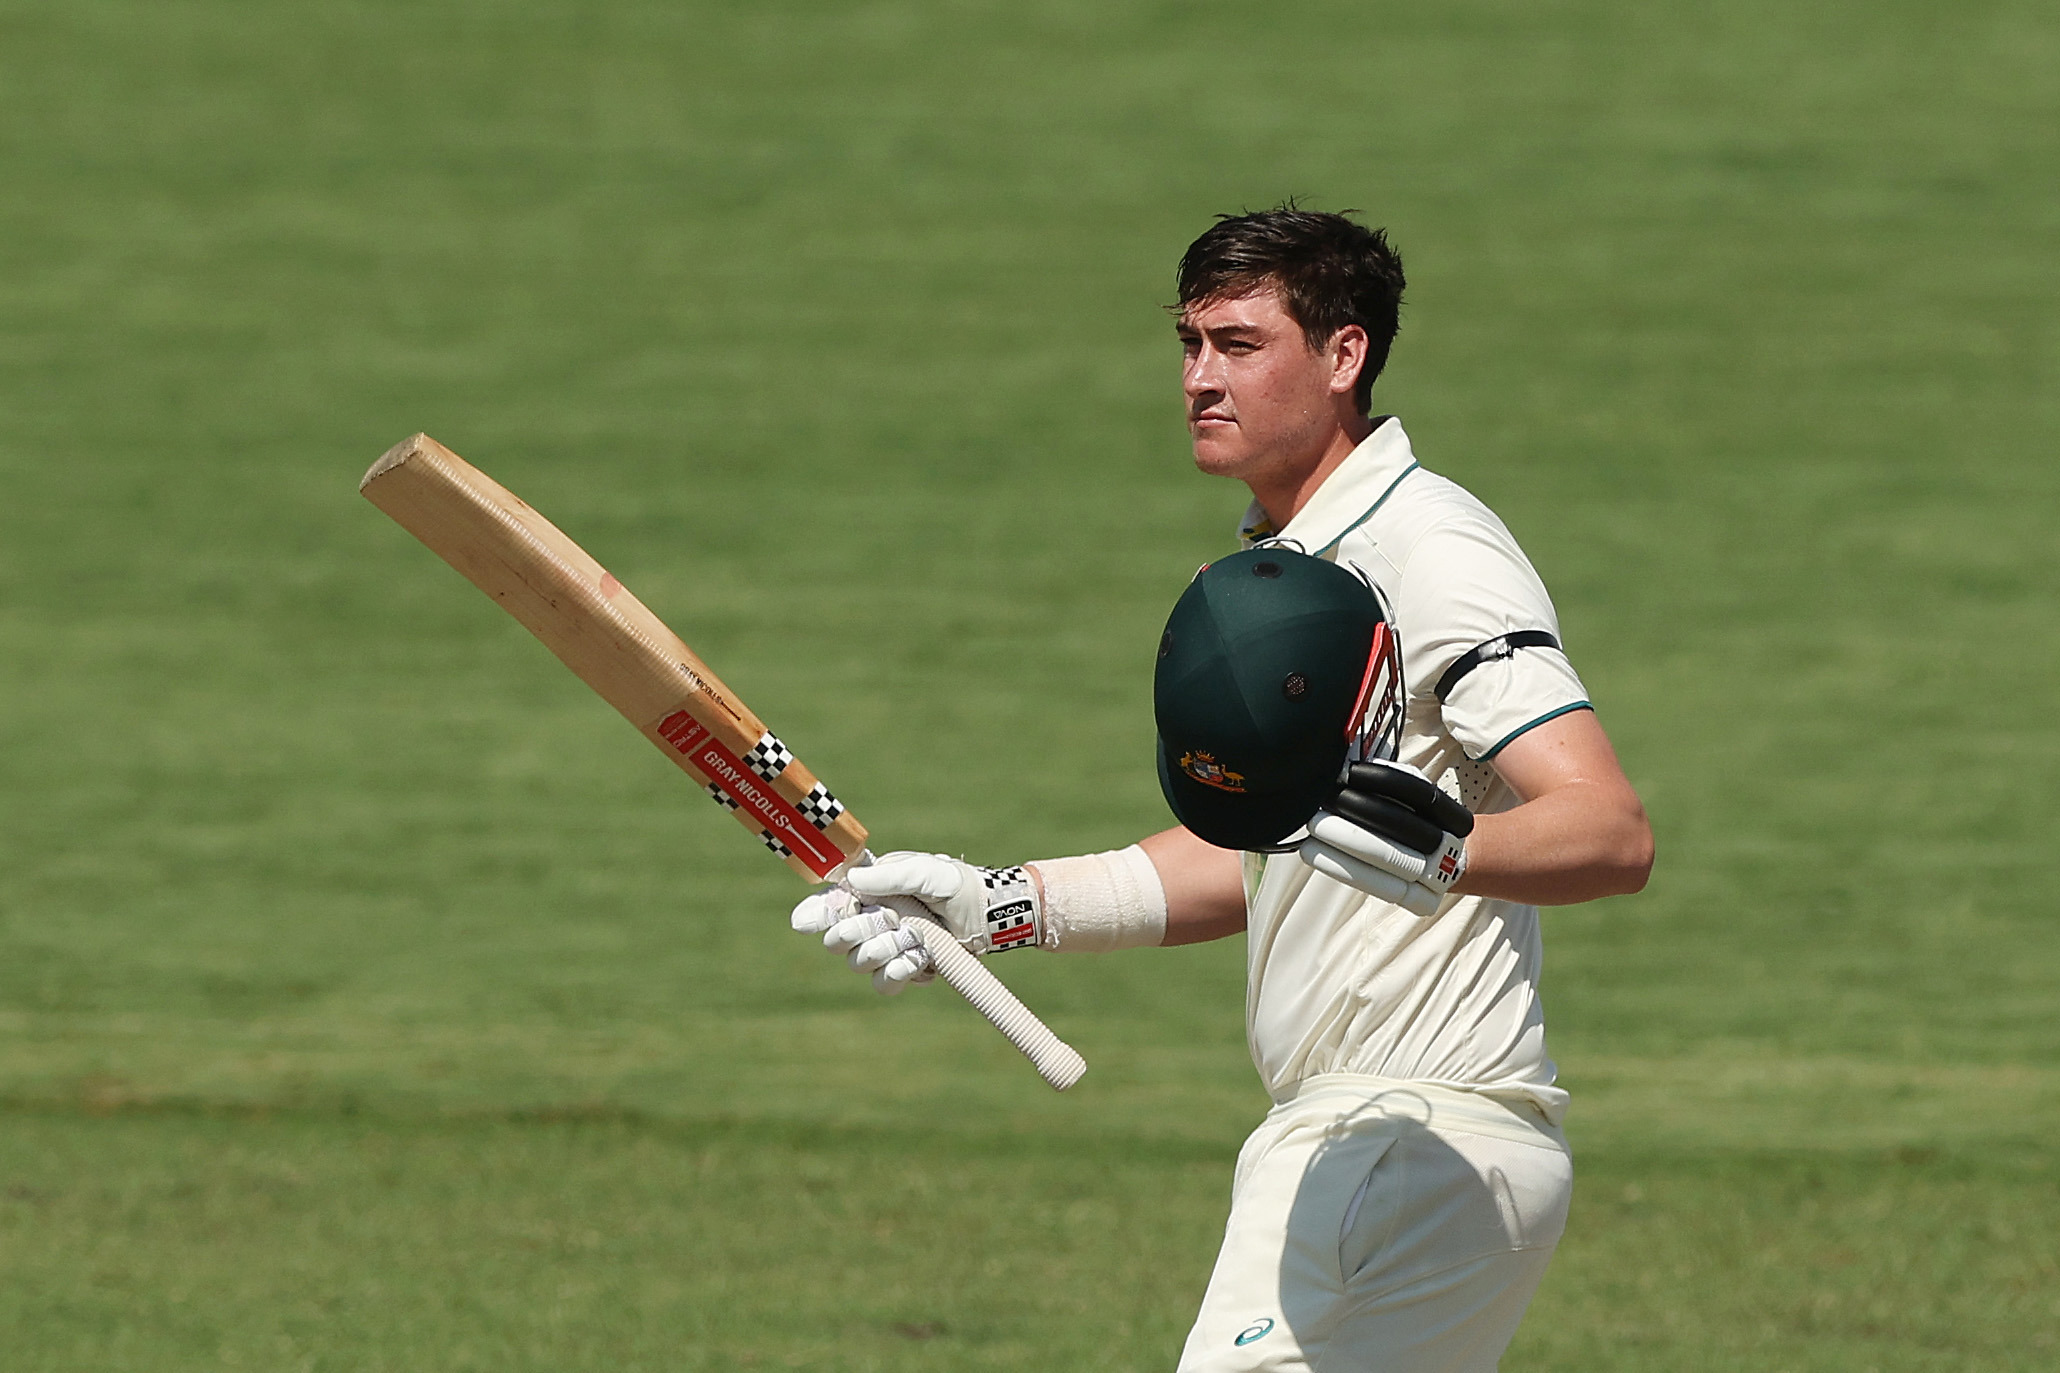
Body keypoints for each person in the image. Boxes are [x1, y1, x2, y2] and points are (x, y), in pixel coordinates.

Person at [792, 207, 1654, 1372]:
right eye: (1190, 343)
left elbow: (1606, 829)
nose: (1200, 377)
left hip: (1395, 1133)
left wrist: (1442, 851)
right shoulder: (1285, 568)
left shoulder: (1426, 551)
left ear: (1343, 356)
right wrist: (994, 902)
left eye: (1239, 344)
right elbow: (1252, 853)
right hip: (1405, 1150)